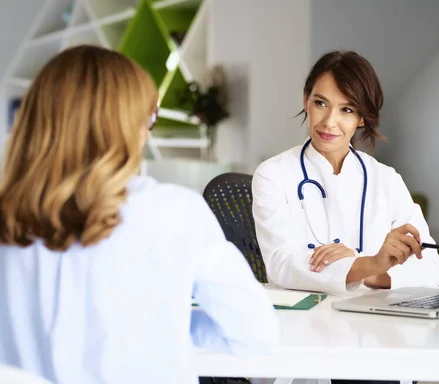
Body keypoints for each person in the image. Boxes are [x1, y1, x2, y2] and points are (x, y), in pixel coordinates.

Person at [0, 45, 279, 384]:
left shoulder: (9, 215)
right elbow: (255, 333)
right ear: (127, 126)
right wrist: (168, 326)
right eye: (148, 118)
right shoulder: (175, 211)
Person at [252, 51, 439, 296]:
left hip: (371, 319)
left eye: (347, 110)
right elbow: (282, 264)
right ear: (305, 101)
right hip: (303, 318)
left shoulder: (386, 180)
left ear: (362, 118)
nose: (330, 122)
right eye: (320, 103)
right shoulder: (273, 175)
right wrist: (369, 263)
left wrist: (368, 270)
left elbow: (430, 268)